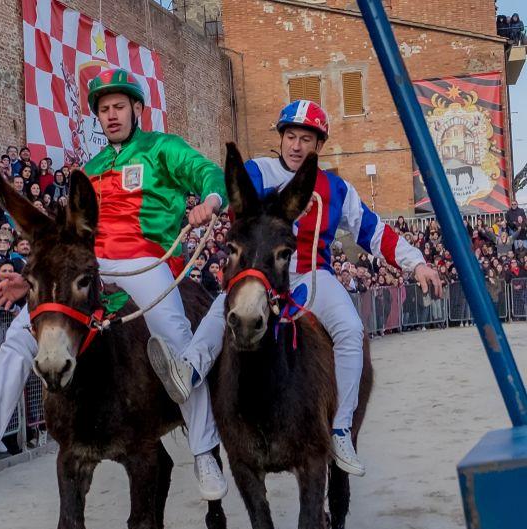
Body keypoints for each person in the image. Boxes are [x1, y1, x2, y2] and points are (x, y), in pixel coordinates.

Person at [0, 68, 230, 501]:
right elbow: (65, 240)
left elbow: (209, 173)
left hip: (145, 259)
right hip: (93, 263)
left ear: (137, 109)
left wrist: (211, 201)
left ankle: (204, 451)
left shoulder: (163, 148)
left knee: (175, 340)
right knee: (19, 336)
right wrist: (33, 288)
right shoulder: (92, 168)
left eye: (119, 106)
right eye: (104, 109)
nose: (112, 115)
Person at [147, 100, 442, 477]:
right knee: (222, 310)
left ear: (319, 145)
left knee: (351, 330)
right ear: (281, 138)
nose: (297, 145)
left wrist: (416, 263)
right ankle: (187, 373)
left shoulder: (336, 188)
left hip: (312, 275)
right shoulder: (257, 171)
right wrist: (211, 202)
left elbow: (373, 231)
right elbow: (228, 188)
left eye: (306, 139)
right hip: (260, 274)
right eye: (290, 136)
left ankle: (340, 429)